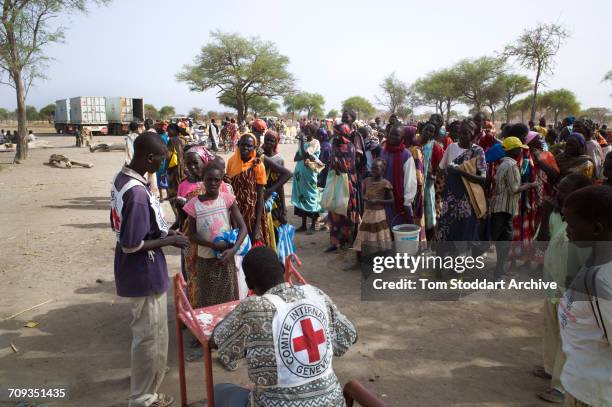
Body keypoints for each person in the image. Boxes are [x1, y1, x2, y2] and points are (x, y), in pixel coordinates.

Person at [210, 247, 358, 406]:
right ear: (282, 267)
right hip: (332, 402)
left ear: (248, 284)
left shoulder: (252, 308)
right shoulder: (316, 294)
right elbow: (350, 335)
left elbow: (216, 341)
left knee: (219, 391)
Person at [110, 131, 189, 407]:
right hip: (143, 272)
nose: (163, 166)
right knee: (150, 337)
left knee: (147, 334)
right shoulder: (137, 194)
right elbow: (133, 243)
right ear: (149, 157)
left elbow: (140, 228)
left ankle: (147, 378)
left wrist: (169, 230)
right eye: (161, 161)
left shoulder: (123, 179)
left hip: (138, 270)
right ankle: (143, 398)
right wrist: (170, 240)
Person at [534, 174, 592, 404]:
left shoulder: (583, 227)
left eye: (565, 191)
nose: (559, 193)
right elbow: (548, 242)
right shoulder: (559, 216)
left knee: (566, 336)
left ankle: (559, 386)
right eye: (559, 189)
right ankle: (550, 368)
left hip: (568, 290)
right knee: (551, 328)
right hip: (553, 285)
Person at [559, 185, 612, 407]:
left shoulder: (602, 282)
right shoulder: (593, 264)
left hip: (593, 394)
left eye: (571, 225)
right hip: (581, 385)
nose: (566, 230)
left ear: (596, 229)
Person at [183, 164, 247, 308]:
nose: (212, 183)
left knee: (229, 297)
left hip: (226, 257)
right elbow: (192, 235)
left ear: (221, 181)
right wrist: (213, 245)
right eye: (209, 179)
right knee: (208, 298)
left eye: (216, 180)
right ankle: (212, 329)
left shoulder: (227, 200)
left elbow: (243, 228)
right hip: (205, 259)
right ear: (203, 180)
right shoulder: (193, 205)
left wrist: (233, 250)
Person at [489, 137, 537, 279]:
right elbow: (515, 189)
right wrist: (530, 185)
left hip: (501, 207)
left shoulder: (503, 164)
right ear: (514, 150)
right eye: (520, 148)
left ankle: (500, 270)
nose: (521, 150)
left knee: (502, 242)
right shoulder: (511, 166)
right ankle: (498, 273)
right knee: (504, 241)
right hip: (504, 209)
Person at [436, 119, 487, 247]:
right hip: (450, 196)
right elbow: (441, 169)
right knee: (445, 229)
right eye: (460, 132)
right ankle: (442, 263)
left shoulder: (478, 151)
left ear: (473, 135)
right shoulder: (452, 147)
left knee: (464, 232)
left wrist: (461, 172)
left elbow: (482, 179)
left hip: (467, 198)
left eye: (466, 133)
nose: (462, 136)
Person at [227, 133, 269, 245]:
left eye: (249, 146)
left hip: (253, 214)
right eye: (243, 145)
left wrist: (258, 225)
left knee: (253, 245)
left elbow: (260, 197)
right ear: (238, 145)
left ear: (254, 148)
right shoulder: (231, 162)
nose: (245, 148)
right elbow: (229, 189)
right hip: (235, 211)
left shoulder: (258, 165)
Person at [351, 158, 393, 262]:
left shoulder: (385, 183)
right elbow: (362, 195)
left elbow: (392, 200)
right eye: (372, 168)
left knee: (379, 238)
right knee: (362, 235)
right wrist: (366, 199)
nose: (373, 171)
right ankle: (358, 261)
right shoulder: (367, 181)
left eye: (376, 169)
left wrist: (378, 201)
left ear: (382, 170)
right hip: (367, 214)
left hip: (379, 215)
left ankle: (381, 261)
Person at [326, 124, 361, 252]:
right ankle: (335, 243)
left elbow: (347, 166)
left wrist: (336, 164)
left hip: (347, 183)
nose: (335, 135)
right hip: (336, 181)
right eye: (335, 133)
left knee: (347, 212)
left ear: (343, 134)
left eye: (337, 133)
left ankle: (348, 241)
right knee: (334, 211)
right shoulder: (335, 145)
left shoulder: (350, 147)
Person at [380, 125, 417, 228]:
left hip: (398, 199)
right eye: (391, 134)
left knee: (398, 227)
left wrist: (407, 201)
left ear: (402, 138)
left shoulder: (406, 155)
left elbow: (410, 180)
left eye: (396, 135)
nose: (392, 137)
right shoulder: (383, 151)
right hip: (383, 197)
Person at [292, 123, 322, 234]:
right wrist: (301, 144)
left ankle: (314, 224)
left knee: (311, 195)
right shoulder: (303, 142)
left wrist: (300, 143)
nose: (306, 131)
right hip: (300, 174)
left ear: (313, 132)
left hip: (309, 174)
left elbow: (305, 154)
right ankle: (303, 224)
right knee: (301, 197)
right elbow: (296, 157)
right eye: (305, 129)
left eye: (309, 130)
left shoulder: (315, 143)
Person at [261, 130, 293, 229]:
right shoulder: (258, 155)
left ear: (276, 142)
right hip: (260, 195)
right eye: (267, 140)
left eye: (272, 141)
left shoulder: (279, 160)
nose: (269, 143)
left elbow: (280, 185)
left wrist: (284, 209)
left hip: (273, 197)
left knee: (273, 227)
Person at [421, 122, 445, 240]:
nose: (428, 133)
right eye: (427, 129)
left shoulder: (435, 146)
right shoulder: (417, 144)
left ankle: (430, 241)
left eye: (432, 131)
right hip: (417, 184)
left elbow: (441, 167)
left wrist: (432, 175)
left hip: (430, 184)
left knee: (430, 212)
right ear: (422, 129)